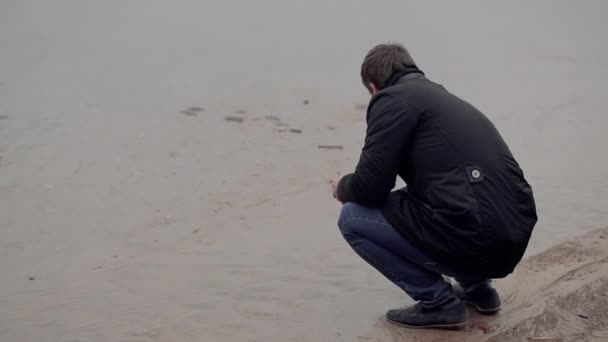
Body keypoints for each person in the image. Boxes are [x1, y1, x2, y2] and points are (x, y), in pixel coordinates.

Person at [330, 43, 537, 329]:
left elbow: (370, 187)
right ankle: (479, 290)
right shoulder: (444, 99)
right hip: (511, 238)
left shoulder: (391, 100)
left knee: (352, 217)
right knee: (434, 195)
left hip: (477, 238)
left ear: (374, 87)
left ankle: (438, 302)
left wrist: (341, 186)